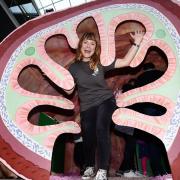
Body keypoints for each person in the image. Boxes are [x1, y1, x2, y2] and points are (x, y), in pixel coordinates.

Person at [66, 31, 144, 180]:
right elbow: (68, 89)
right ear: (80, 45)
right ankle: (89, 166)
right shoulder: (73, 68)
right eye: (86, 42)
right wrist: (54, 77)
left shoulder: (100, 62)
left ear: (95, 48)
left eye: (92, 43)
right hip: (87, 107)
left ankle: (102, 170)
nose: (88, 46)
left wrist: (137, 43)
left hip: (105, 100)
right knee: (88, 137)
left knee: (102, 129)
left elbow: (125, 62)